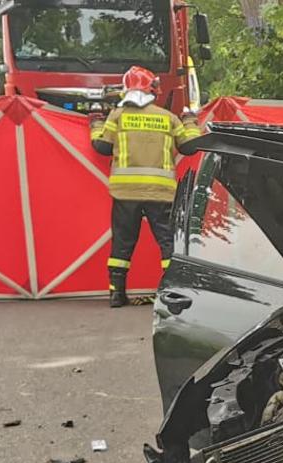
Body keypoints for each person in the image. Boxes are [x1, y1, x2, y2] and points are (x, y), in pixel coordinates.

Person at [90, 66, 203, 307]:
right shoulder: (168, 118)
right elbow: (190, 147)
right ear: (153, 90)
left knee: (123, 241)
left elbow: (101, 148)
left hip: (125, 192)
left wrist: (95, 125)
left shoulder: (118, 116)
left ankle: (116, 294)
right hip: (160, 192)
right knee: (166, 242)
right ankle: (173, 293)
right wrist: (191, 121)